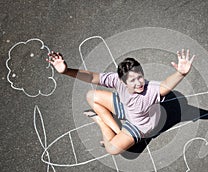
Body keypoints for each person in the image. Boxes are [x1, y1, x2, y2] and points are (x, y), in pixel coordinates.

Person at [46, 49, 195, 155]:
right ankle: (118, 132)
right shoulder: (116, 80)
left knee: (111, 149)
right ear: (123, 82)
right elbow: (92, 77)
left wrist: (180, 73)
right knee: (91, 95)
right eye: (132, 80)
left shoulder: (150, 91)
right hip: (127, 109)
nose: (139, 83)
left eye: (140, 77)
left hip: (140, 127)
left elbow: (164, 86)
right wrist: (66, 71)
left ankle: (101, 121)